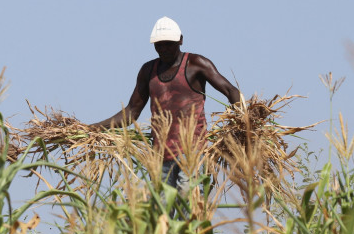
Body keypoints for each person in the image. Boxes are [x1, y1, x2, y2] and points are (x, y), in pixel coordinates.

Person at [91, 17, 242, 192]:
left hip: (191, 152)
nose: (163, 49)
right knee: (162, 213)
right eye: (159, 45)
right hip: (161, 156)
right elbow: (131, 112)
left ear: (180, 40)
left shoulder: (196, 64)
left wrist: (243, 122)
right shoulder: (148, 71)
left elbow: (230, 91)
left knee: (189, 203)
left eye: (168, 44)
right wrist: (92, 128)